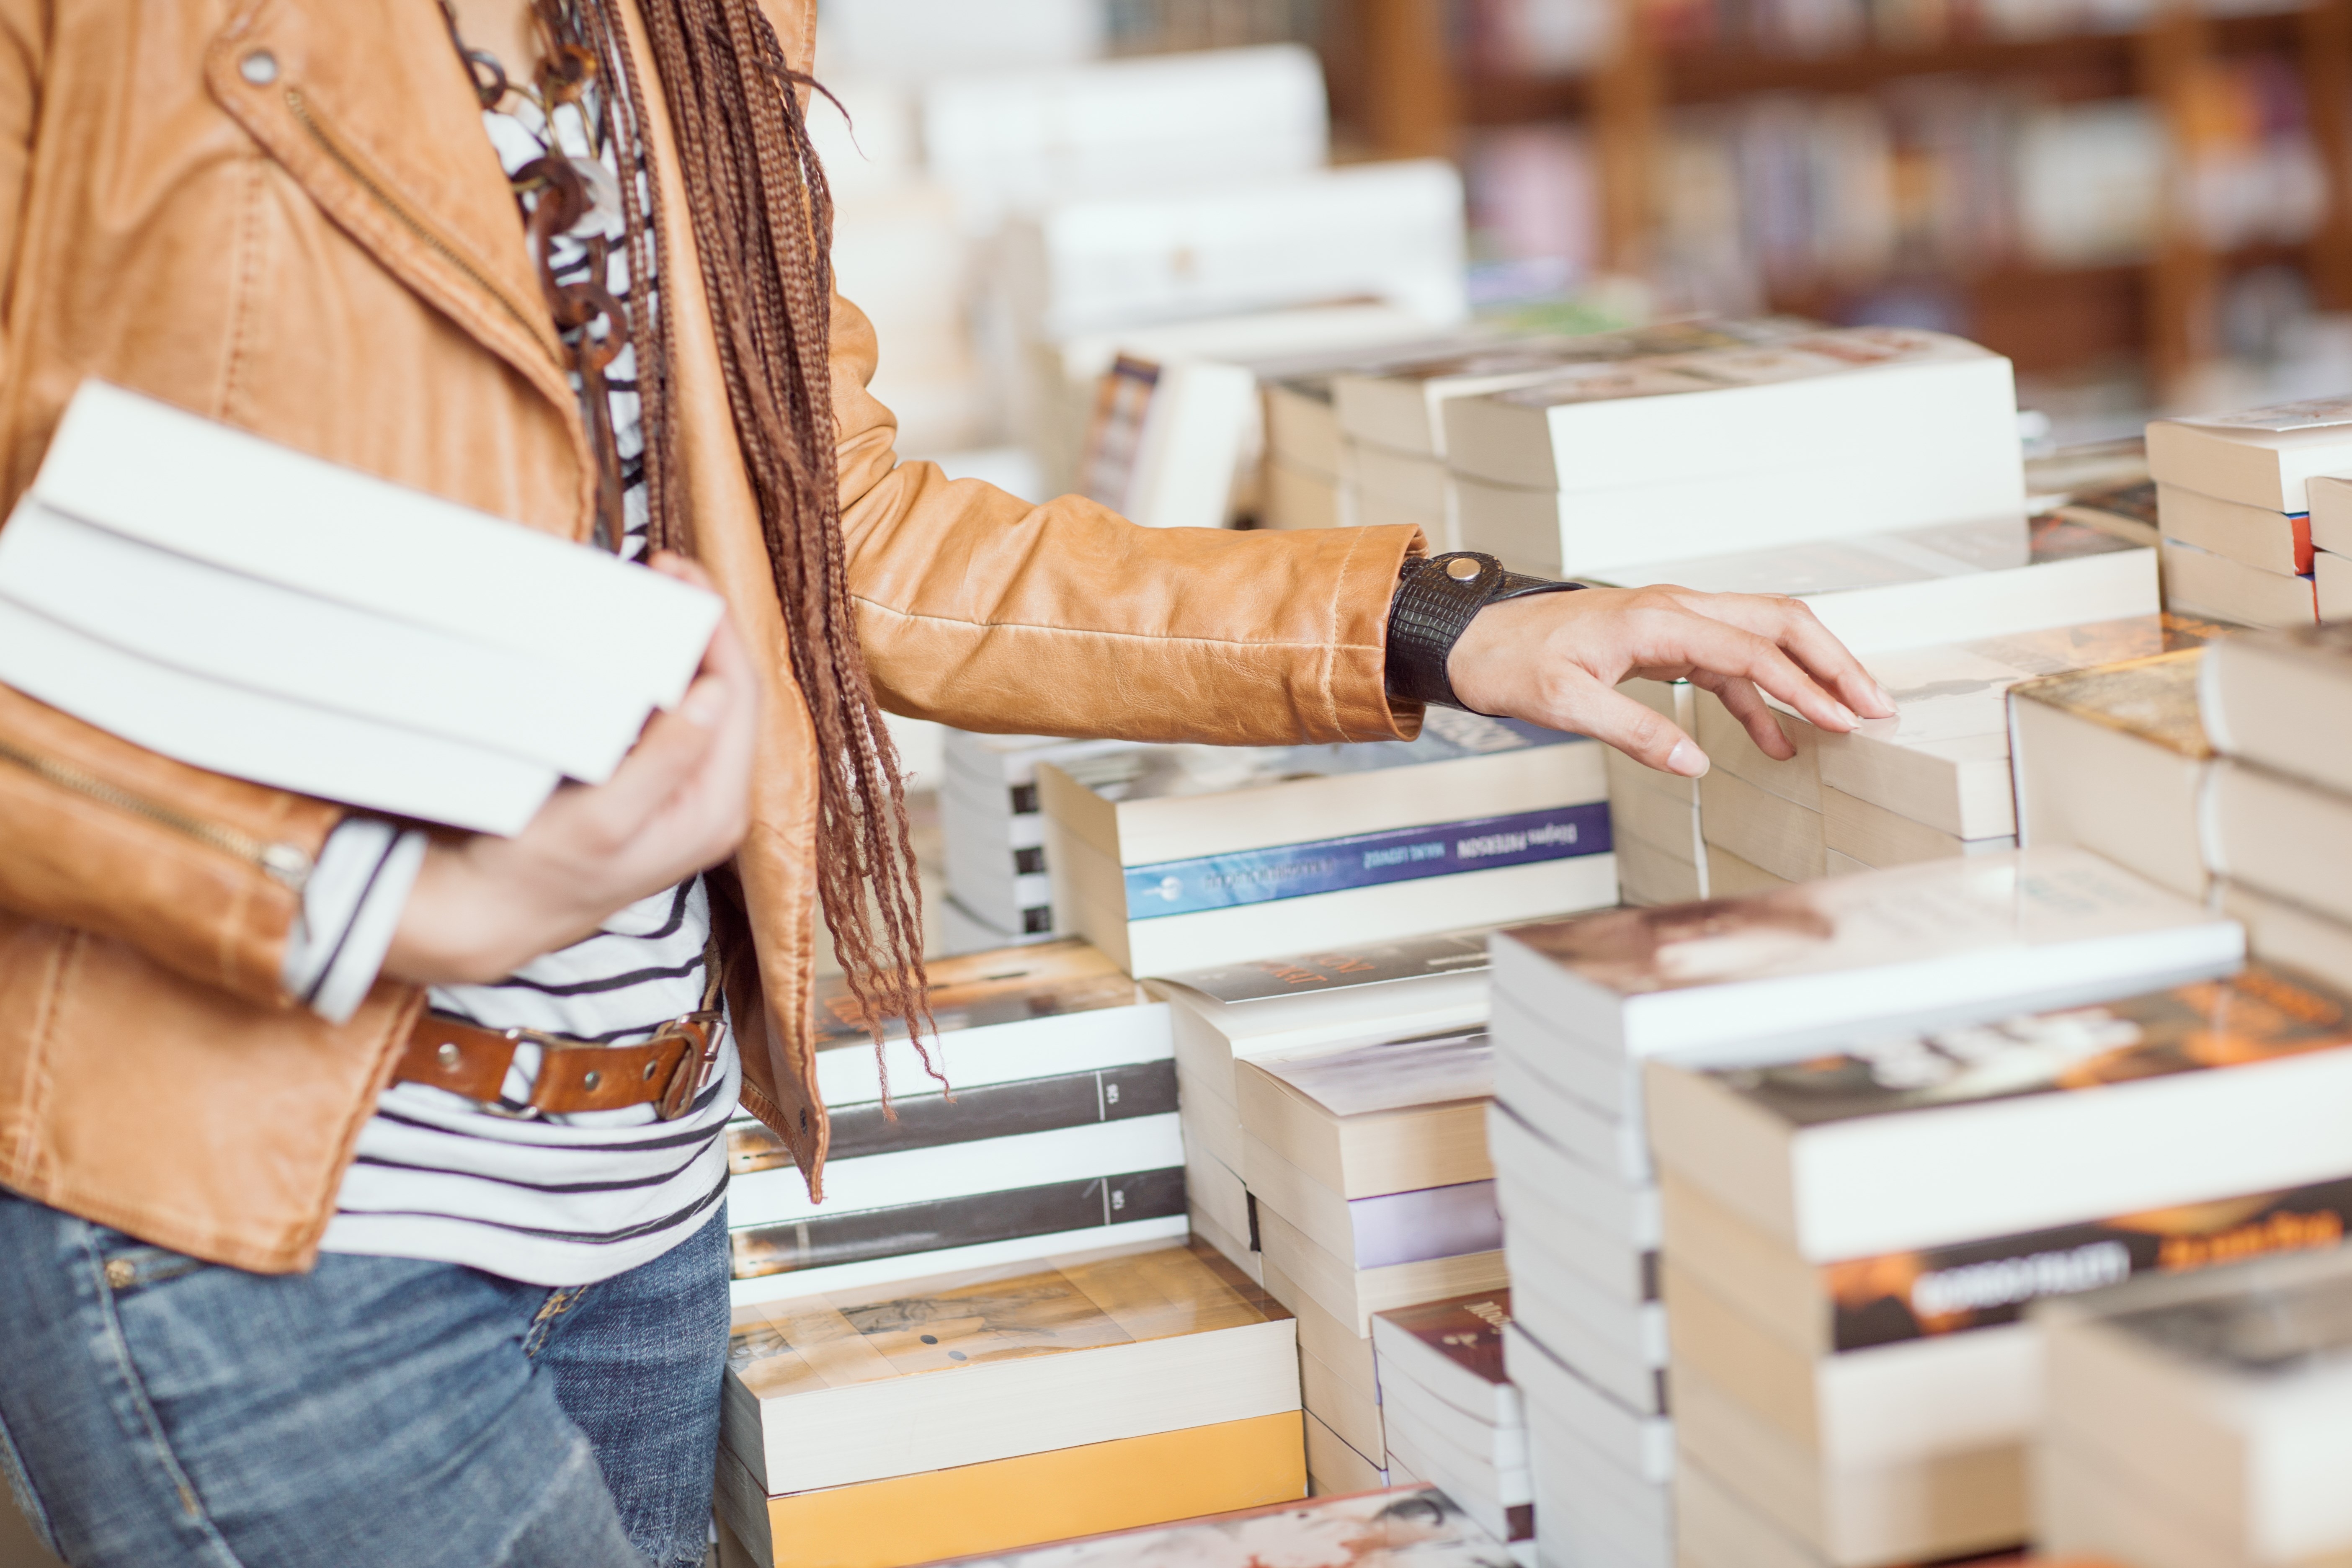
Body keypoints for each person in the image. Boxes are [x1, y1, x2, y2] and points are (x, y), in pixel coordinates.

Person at [0, 3, 1894, 1565]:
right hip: (266, 1221)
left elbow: (846, 530)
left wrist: (1436, 625)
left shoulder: (685, 28)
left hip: (642, 1191)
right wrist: (392, 901)